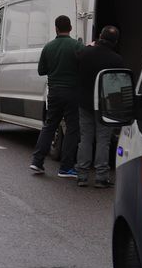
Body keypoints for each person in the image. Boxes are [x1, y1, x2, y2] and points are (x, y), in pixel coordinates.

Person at [75, 25, 127, 188]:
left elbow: (75, 65)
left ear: (99, 36)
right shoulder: (117, 59)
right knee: (103, 141)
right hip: (105, 105)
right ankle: (101, 177)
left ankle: (82, 176)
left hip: (84, 103)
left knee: (85, 139)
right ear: (116, 41)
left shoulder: (84, 53)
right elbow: (119, 85)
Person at [30, 15, 81, 179]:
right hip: (72, 92)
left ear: (56, 29)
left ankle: (37, 162)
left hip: (54, 92)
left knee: (50, 126)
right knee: (72, 128)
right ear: (71, 28)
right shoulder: (77, 46)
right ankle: (66, 167)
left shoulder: (48, 47)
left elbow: (41, 70)